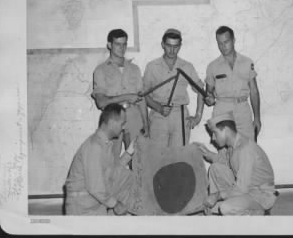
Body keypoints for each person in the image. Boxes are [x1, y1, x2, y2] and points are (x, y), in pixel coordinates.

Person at [195, 112, 277, 215]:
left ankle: (258, 212)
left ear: (225, 130)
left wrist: (217, 195)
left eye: (214, 133)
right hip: (247, 188)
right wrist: (208, 154)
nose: (213, 138)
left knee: (226, 208)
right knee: (215, 168)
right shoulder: (233, 145)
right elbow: (227, 163)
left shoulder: (245, 149)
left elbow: (241, 188)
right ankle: (232, 204)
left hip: (260, 195)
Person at [65, 103, 137, 215]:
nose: (124, 127)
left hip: (95, 204)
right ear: (112, 123)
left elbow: (114, 172)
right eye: (122, 124)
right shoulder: (95, 146)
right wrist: (116, 204)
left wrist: (129, 152)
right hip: (82, 209)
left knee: (128, 176)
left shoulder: (105, 145)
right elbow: (95, 188)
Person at [143, 28, 205, 147]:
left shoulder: (186, 66)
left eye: (176, 46)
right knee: (158, 158)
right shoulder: (152, 67)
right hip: (158, 115)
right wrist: (158, 108)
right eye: (169, 45)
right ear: (162, 45)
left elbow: (201, 91)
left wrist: (198, 117)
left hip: (180, 115)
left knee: (178, 157)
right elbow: (143, 95)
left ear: (180, 46)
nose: (172, 50)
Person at [92, 29, 148, 157]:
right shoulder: (100, 70)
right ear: (109, 45)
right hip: (113, 117)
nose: (122, 48)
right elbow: (101, 102)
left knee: (138, 160)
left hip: (134, 117)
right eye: (118, 44)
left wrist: (146, 124)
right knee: (110, 160)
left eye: (124, 44)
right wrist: (127, 97)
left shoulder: (134, 69)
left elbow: (142, 99)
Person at [205, 26, 262, 141]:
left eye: (226, 42)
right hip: (222, 110)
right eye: (219, 43)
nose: (223, 46)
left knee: (247, 148)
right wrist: (209, 99)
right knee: (224, 153)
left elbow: (254, 92)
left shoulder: (247, 62)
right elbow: (208, 93)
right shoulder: (212, 66)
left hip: (243, 110)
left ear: (233, 40)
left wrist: (257, 118)